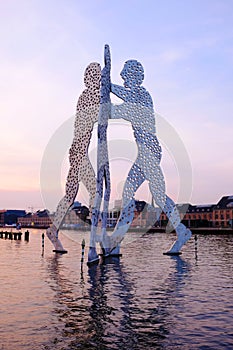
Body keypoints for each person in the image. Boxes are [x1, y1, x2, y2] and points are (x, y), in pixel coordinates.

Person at [108, 59, 191, 254]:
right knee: (159, 196)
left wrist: (108, 86)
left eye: (125, 73)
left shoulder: (141, 95)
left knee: (129, 193)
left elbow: (123, 108)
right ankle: (182, 231)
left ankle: (116, 243)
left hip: (149, 152)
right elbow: (120, 109)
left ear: (134, 75)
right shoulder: (136, 96)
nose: (122, 76)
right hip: (148, 152)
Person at [46, 62, 101, 252]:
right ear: (90, 79)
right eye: (97, 77)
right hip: (79, 151)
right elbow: (99, 115)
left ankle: (53, 230)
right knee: (95, 191)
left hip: (78, 151)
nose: (98, 80)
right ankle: (99, 236)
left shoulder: (90, 96)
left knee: (70, 195)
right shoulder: (88, 96)